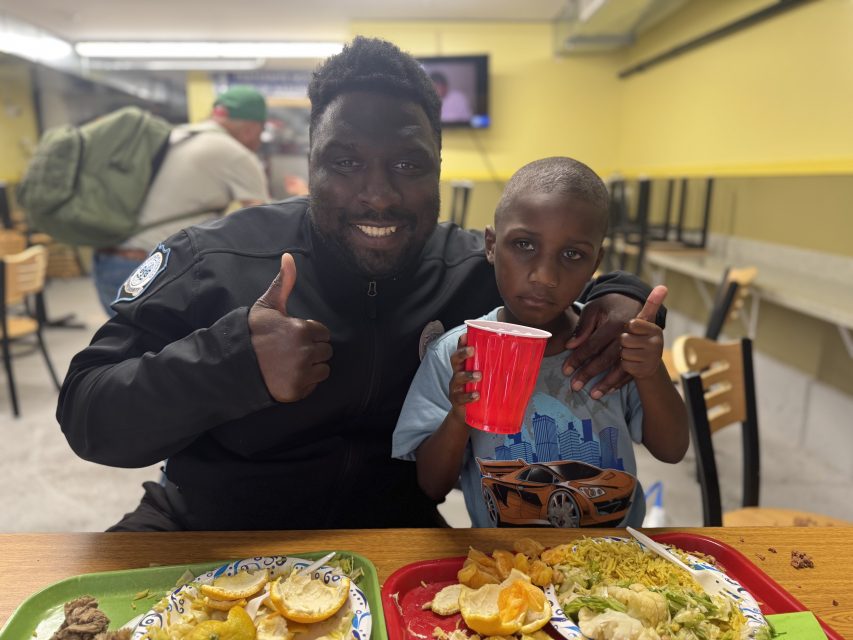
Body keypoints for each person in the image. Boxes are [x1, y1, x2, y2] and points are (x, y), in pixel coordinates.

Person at [58, 37, 664, 532]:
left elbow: (564, 271)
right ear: (310, 164)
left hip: (393, 536)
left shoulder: (474, 267)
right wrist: (233, 362)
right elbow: (88, 411)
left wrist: (623, 298)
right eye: (345, 162)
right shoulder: (217, 257)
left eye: (407, 164)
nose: (378, 194)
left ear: (438, 169)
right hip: (210, 528)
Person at [392, 157, 688, 528]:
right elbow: (432, 486)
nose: (545, 276)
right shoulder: (456, 353)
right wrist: (460, 414)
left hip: (616, 563)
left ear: (595, 262)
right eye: (524, 244)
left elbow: (673, 450)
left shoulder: (607, 346)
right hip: (505, 564)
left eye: (572, 255)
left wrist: (649, 371)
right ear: (491, 245)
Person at [92, 86, 270, 316]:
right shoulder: (235, 152)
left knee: (126, 348)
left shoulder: (175, 135)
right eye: (261, 131)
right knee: (164, 349)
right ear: (250, 128)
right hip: (151, 269)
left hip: (109, 261)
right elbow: (263, 222)